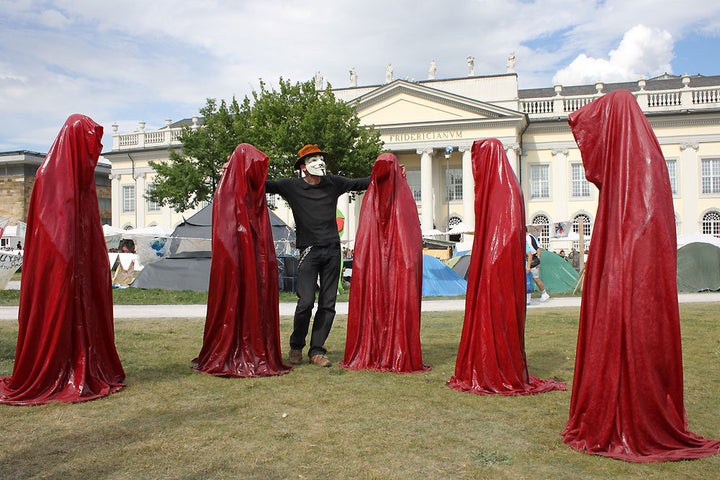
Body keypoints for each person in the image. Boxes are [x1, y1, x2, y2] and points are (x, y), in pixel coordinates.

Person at [264, 144, 371, 368]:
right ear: (303, 166)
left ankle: (317, 350)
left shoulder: (333, 183)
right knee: (305, 302)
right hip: (309, 252)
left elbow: (361, 182)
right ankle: (296, 346)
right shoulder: (290, 186)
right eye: (313, 158)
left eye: (321, 157)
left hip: (332, 250)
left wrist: (388, 172)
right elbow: (261, 185)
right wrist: (233, 170)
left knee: (328, 303)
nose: (319, 161)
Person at [526, 228, 550, 301]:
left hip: (533, 258)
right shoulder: (525, 238)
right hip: (528, 258)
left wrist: (538, 260)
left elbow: (538, 248)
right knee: (530, 278)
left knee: (535, 278)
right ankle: (528, 296)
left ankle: (544, 293)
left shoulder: (530, 237)